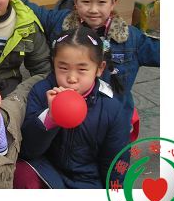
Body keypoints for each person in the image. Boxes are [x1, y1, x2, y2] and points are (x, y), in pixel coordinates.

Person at [22, 0, 160, 137]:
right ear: (75, 1)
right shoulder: (60, 22)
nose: (93, 9)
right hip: (67, 112)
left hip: (111, 120)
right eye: (86, 1)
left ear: (113, 3)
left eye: (101, 2)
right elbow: (34, 11)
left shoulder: (131, 38)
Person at [18, 26, 128, 189]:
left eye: (82, 69)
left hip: (87, 180)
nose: (71, 78)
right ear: (53, 64)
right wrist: (50, 118)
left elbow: (116, 160)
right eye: (63, 68)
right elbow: (27, 150)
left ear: (99, 68)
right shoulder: (41, 92)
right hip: (47, 171)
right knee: (21, 172)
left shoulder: (111, 108)